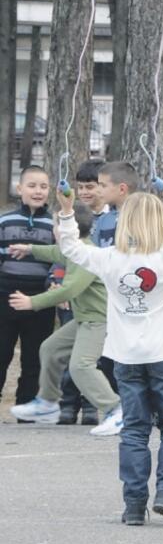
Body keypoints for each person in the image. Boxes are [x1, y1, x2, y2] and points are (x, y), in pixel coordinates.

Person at [55, 183, 163, 526]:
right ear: (160, 222)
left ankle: (133, 504)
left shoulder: (110, 259)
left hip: (125, 356)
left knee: (134, 428)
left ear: (123, 222)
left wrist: (68, 211)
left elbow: (70, 246)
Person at [7, 202, 122, 436]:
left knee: (81, 366)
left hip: (99, 320)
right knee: (50, 348)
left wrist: (33, 302)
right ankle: (48, 403)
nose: (54, 230)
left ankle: (116, 410)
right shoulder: (74, 249)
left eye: (57, 226)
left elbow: (68, 290)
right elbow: (55, 252)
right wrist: (30, 249)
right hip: (84, 319)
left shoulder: (85, 256)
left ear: (70, 230)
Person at [54, 160, 109, 425]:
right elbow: (60, 253)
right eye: (81, 187)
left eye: (91, 186)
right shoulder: (70, 215)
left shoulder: (113, 220)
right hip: (71, 298)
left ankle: (91, 406)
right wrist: (56, 283)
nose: (85, 192)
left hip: (99, 301)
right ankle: (68, 403)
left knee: (93, 357)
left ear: (104, 187)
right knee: (69, 352)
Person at [0, 166, 56, 408]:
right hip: (6, 296)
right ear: (19, 188)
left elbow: (60, 259)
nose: (38, 191)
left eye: (43, 187)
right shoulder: (5, 221)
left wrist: (55, 282)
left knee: (34, 357)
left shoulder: (54, 224)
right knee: (2, 353)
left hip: (40, 300)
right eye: (32, 186)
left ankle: (26, 406)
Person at [92, 161, 139, 248]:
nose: (98, 190)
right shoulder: (102, 220)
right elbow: (95, 253)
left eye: (103, 186)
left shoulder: (143, 219)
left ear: (122, 189)